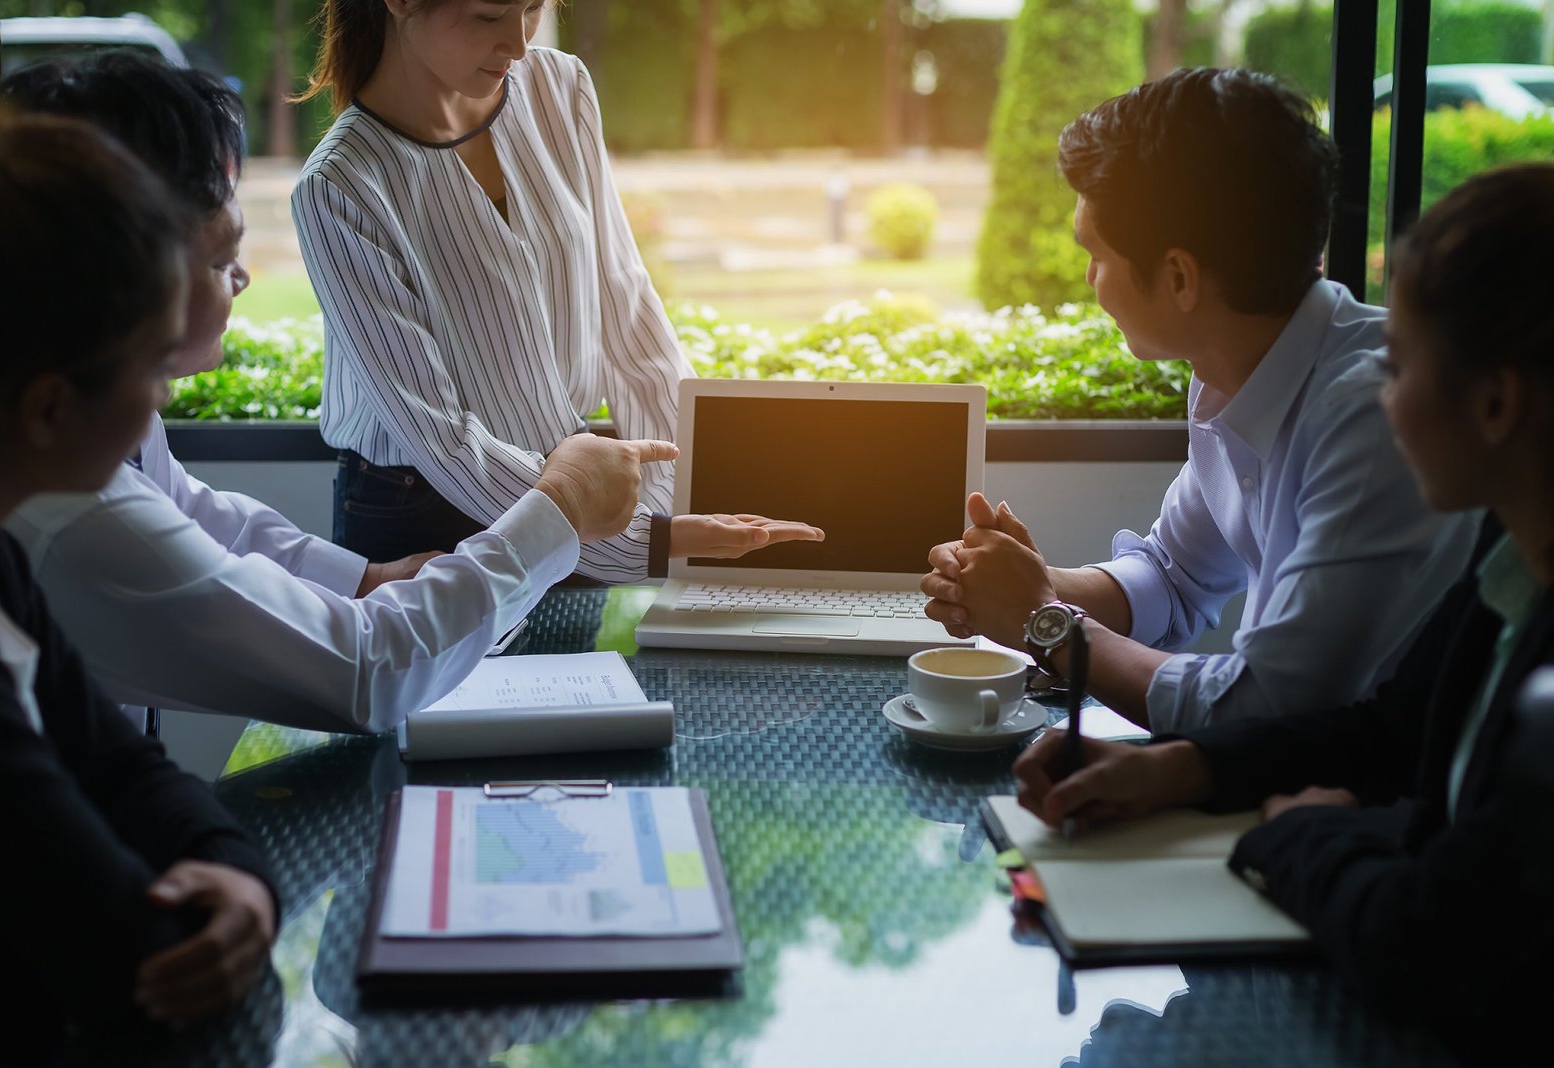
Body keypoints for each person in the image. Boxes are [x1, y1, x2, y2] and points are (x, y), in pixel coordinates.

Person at [1010, 163, 1554, 1048]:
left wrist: (1301, 837)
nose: (1383, 394)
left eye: (1403, 365)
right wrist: (1183, 770)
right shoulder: (1512, 559)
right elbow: (1389, 727)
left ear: (1495, 403)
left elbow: (1424, 941)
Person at [0, 52, 678, 734]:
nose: (240, 280)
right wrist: (557, 508)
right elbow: (367, 669)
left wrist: (365, 580)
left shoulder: (89, 417)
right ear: (123, 276)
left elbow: (199, 518)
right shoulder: (70, 507)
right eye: (217, 260)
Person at [921, 68, 1476, 731]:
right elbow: (1173, 577)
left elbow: (1265, 704)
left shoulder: (1373, 419)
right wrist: (1022, 585)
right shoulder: (1232, 370)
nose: (1091, 281)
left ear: (1180, 277)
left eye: (1096, 257)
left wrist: (1043, 622)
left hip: (1376, 804)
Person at [0, 77, 276, 1055]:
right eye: (146, 372)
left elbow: (128, 769)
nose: (156, 410)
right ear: (50, 409)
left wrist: (240, 879)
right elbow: (135, 958)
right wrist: (226, 897)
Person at [291, 0, 822, 580]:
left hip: (580, 483)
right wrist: (650, 540)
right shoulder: (338, 187)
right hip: (422, 510)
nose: (517, 44)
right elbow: (438, 437)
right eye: (490, 16)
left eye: (532, 8)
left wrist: (684, 490)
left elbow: (624, 303)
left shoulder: (558, 88)